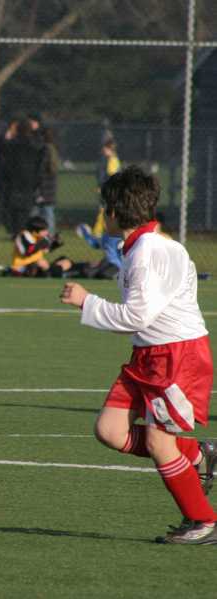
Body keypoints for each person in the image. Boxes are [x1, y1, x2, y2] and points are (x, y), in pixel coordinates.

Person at [60, 166, 217, 544]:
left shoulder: (148, 252)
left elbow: (136, 317)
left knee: (159, 444)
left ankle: (204, 521)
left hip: (176, 358)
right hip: (150, 354)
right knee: (109, 430)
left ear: (114, 212)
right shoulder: (147, 247)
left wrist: (86, 301)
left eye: (105, 209)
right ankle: (200, 454)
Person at [0, 118, 43, 236]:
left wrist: (2, 182)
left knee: (13, 215)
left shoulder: (10, 146)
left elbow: (3, 165)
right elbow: (40, 168)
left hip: (12, 185)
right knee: (25, 215)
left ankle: (16, 234)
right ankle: (24, 234)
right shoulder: (35, 147)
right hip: (29, 185)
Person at [31, 126, 59, 233]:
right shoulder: (53, 149)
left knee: (40, 211)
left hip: (43, 185)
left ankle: (36, 232)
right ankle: (49, 234)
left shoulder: (44, 150)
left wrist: (38, 188)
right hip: (51, 185)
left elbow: (41, 169)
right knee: (48, 211)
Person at [92, 139, 121, 237]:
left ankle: (98, 231)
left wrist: (103, 188)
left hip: (110, 190)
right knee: (105, 209)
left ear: (110, 149)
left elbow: (111, 177)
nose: (103, 150)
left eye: (105, 148)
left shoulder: (112, 160)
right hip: (111, 189)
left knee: (104, 209)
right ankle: (103, 230)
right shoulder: (111, 160)